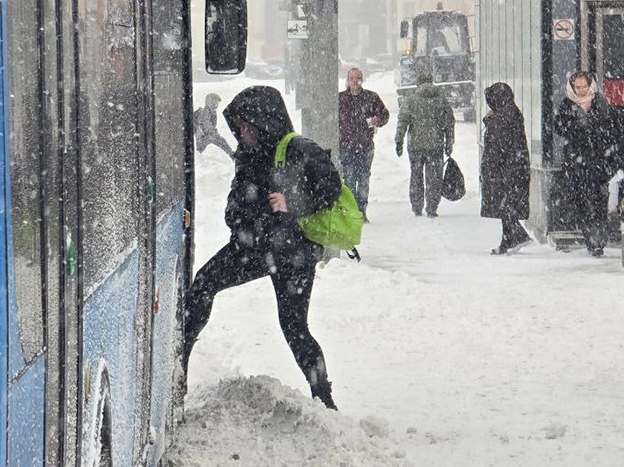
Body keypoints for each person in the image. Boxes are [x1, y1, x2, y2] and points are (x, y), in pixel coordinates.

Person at [182, 86, 341, 409]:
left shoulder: (298, 149)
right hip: (250, 249)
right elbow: (237, 198)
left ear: (264, 121)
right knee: (202, 286)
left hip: (291, 255)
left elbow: (331, 188)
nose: (242, 132)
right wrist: (237, 216)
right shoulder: (246, 154)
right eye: (238, 126)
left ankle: (324, 399)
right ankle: (178, 365)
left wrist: (293, 202)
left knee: (295, 327)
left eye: (247, 125)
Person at [554, 71, 616, 257]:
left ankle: (599, 240)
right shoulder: (566, 105)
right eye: (577, 87)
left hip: (598, 161)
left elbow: (609, 129)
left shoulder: (600, 102)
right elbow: (559, 127)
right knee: (581, 201)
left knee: (599, 202)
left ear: (591, 86)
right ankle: (590, 238)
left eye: (584, 87)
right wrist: (576, 123)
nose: (581, 91)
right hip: (576, 162)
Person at [480, 82, 532, 255]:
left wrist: (491, 172)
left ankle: (514, 237)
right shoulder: (511, 112)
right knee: (507, 205)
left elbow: (496, 147)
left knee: (505, 205)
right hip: (516, 166)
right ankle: (509, 239)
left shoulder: (501, 118)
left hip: (505, 169)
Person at [395, 71, 455, 217]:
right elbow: (449, 122)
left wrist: (399, 140)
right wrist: (449, 142)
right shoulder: (441, 99)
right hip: (435, 145)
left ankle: (417, 206)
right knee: (434, 178)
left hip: (416, 146)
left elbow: (402, 121)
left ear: (418, 83)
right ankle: (432, 207)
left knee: (416, 176)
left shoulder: (412, 99)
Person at [338, 67, 389, 222]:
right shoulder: (340, 99)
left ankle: (361, 211)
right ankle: (352, 212)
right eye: (352, 78)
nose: (355, 81)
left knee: (363, 181)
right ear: (347, 80)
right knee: (349, 181)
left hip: (365, 147)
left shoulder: (371, 98)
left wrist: (378, 120)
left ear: (362, 79)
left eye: (358, 78)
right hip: (346, 148)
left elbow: (384, 114)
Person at [194, 93, 234, 158]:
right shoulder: (205, 112)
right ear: (210, 102)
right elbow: (207, 127)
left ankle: (232, 155)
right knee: (220, 141)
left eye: (217, 102)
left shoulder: (212, 112)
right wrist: (214, 133)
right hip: (203, 136)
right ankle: (232, 155)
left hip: (206, 136)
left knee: (220, 141)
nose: (217, 104)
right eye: (215, 102)